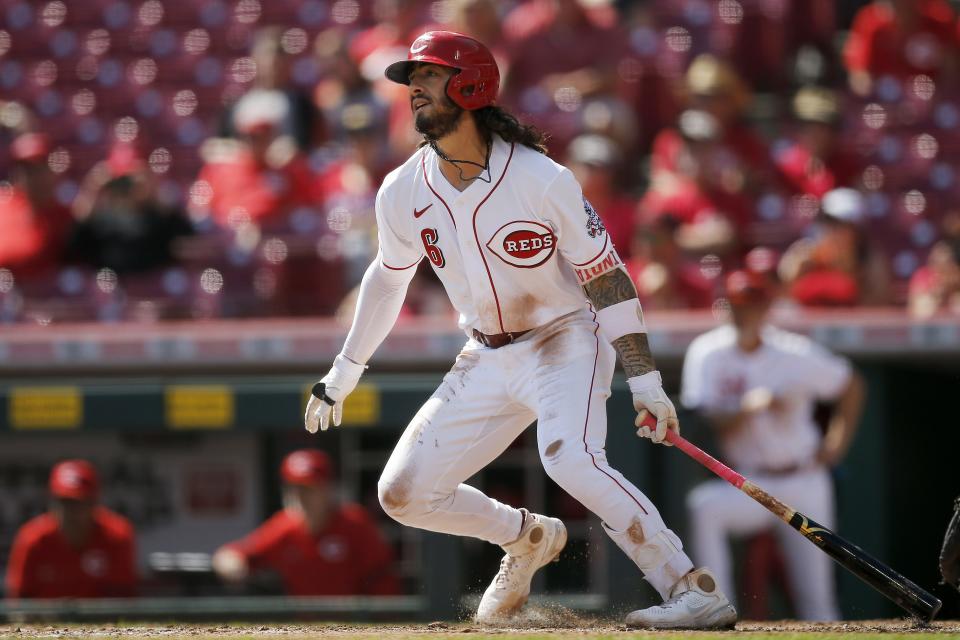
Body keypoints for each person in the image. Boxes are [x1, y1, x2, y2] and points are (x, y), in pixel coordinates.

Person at [303, 31, 737, 629]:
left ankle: (690, 587)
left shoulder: (542, 178)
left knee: (569, 460)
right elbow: (387, 279)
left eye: (428, 77)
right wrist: (343, 372)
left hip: (564, 338)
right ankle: (527, 537)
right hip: (483, 353)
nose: (414, 91)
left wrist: (645, 380)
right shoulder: (401, 189)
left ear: (471, 85)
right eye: (412, 80)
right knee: (402, 493)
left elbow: (606, 278)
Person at [681, 270, 865, 620]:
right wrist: (748, 407)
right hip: (750, 483)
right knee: (704, 508)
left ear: (765, 308)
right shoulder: (708, 351)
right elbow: (703, 418)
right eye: (735, 305)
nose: (742, 313)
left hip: (803, 478)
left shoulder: (793, 351)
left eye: (750, 305)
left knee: (817, 599)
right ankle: (718, 612)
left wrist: (836, 443)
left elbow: (852, 384)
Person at [211, 449, 400, 596]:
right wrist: (231, 562)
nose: (301, 497)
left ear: (327, 489)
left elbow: (383, 581)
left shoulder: (355, 522)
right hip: (305, 628)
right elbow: (236, 554)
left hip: (356, 626)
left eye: (309, 489)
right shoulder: (286, 526)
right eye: (294, 489)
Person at [5, 460, 137, 599]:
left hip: (100, 620)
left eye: (79, 503)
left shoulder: (117, 535)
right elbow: (18, 601)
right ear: (52, 502)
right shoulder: (33, 538)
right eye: (65, 502)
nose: (71, 511)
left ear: (94, 503)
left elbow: (124, 600)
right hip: (44, 620)